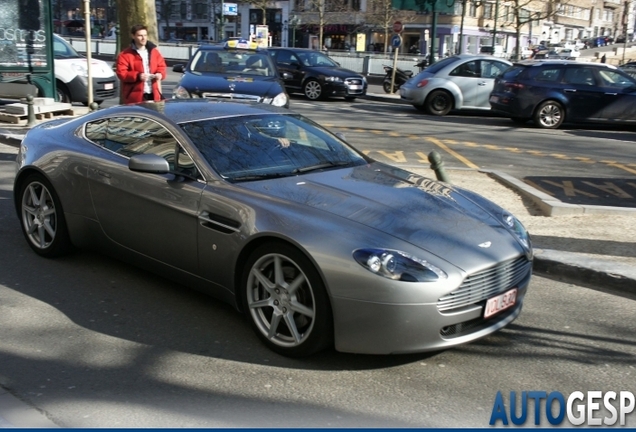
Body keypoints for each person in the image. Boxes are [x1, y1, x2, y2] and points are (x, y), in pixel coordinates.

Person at [116, 24, 167, 104]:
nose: (143, 38)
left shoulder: (154, 52)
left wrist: (160, 74)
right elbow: (121, 73)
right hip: (135, 96)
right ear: (133, 36)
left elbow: (162, 66)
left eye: (145, 35)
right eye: (140, 35)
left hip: (154, 93)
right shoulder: (125, 55)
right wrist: (138, 76)